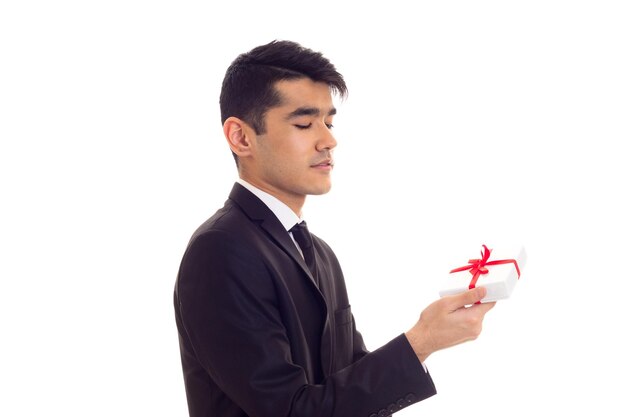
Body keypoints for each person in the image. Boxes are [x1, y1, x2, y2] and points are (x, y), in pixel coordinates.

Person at [173, 39, 495, 417]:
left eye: (328, 121)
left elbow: (348, 386)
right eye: (305, 123)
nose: (329, 140)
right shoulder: (220, 251)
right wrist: (420, 341)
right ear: (241, 137)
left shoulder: (319, 253)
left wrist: (431, 339)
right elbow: (291, 411)